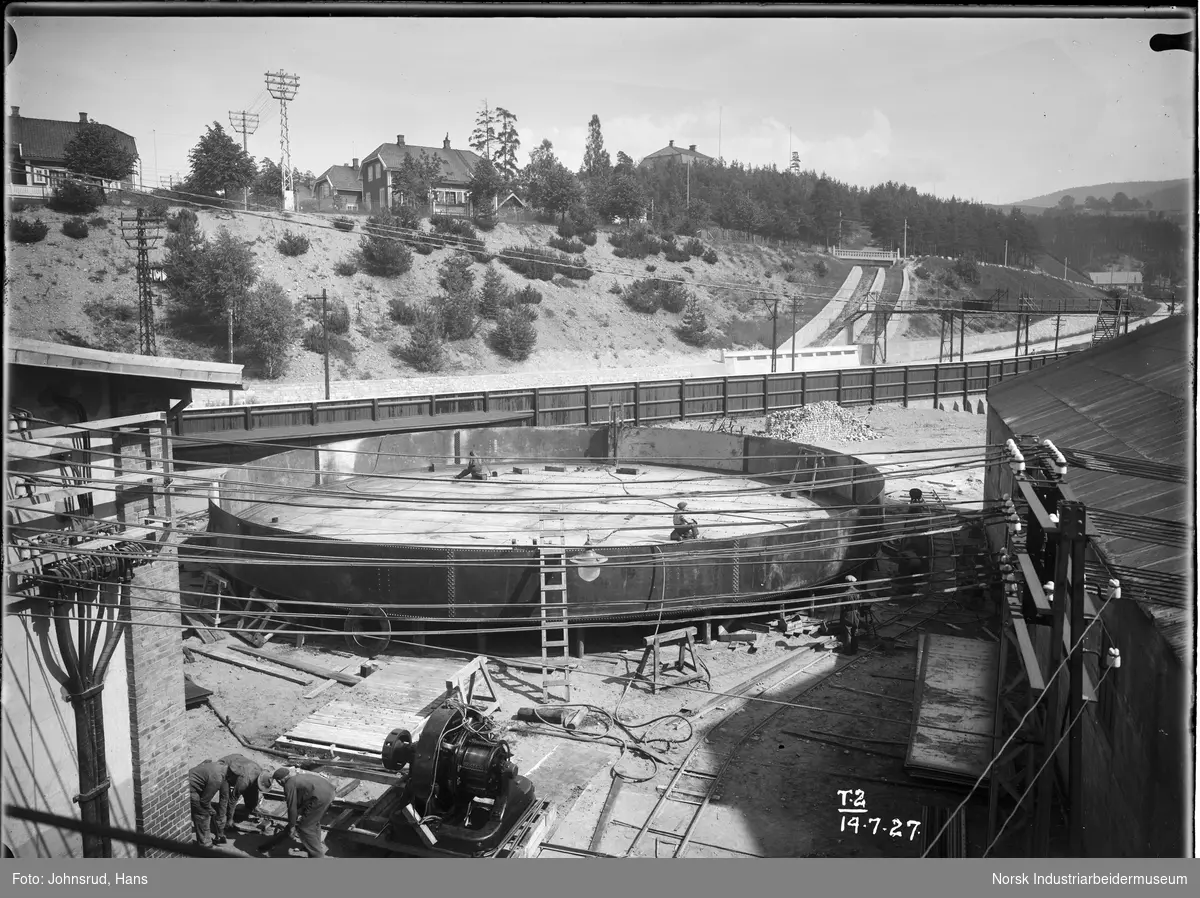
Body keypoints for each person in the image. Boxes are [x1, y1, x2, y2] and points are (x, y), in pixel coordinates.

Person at [257, 767, 336, 858]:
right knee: (313, 822)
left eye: (278, 782)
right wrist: (291, 824)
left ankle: (317, 855)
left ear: (280, 780)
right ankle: (314, 845)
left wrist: (292, 826)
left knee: (305, 828)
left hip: (320, 797)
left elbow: (292, 807)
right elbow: (299, 804)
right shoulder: (298, 779)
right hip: (329, 792)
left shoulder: (289, 784)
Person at [219, 754, 272, 832]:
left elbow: (254, 791)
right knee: (225, 797)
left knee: (252, 796)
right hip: (225, 766)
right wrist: (230, 819)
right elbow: (233, 799)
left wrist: (254, 807)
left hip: (240, 764)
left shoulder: (260, 772)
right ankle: (223, 820)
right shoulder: (244, 781)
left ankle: (251, 807)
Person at [188, 758, 231, 847]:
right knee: (202, 814)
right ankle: (205, 844)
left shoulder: (224, 772)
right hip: (189, 788)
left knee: (209, 811)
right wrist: (211, 810)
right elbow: (204, 801)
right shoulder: (217, 778)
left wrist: (220, 819)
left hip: (198, 787)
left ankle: (215, 834)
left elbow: (224, 797)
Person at [839, 577, 861, 655]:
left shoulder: (845, 594)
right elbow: (860, 604)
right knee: (855, 631)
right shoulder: (858, 592)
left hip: (848, 614)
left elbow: (842, 607)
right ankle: (855, 650)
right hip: (856, 613)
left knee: (848, 632)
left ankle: (847, 651)